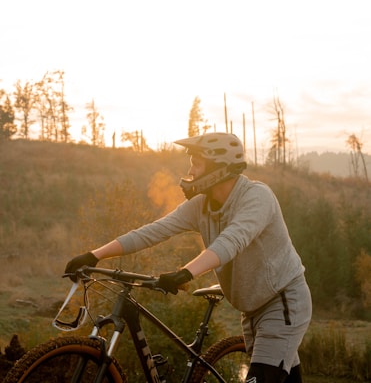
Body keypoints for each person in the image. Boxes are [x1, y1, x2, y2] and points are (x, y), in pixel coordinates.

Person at [65, 132, 312, 383]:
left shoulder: (257, 197)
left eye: (197, 162)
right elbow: (153, 231)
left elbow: (231, 242)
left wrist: (186, 273)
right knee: (286, 377)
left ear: (219, 166)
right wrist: (94, 255)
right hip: (250, 310)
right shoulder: (201, 206)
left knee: (263, 376)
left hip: (282, 303)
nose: (190, 169)